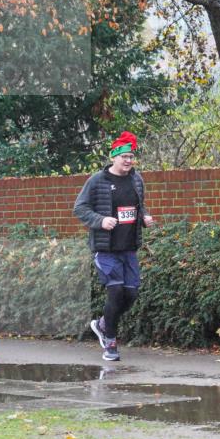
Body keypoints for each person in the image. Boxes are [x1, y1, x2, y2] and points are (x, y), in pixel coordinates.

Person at [73, 131, 154, 361]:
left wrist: (145, 218)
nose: (129, 160)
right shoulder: (98, 180)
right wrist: (101, 221)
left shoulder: (137, 180)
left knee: (131, 294)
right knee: (116, 291)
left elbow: (139, 207)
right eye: (124, 156)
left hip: (129, 247)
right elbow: (79, 208)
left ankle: (102, 324)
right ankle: (110, 342)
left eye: (131, 156)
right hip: (106, 248)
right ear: (114, 157)